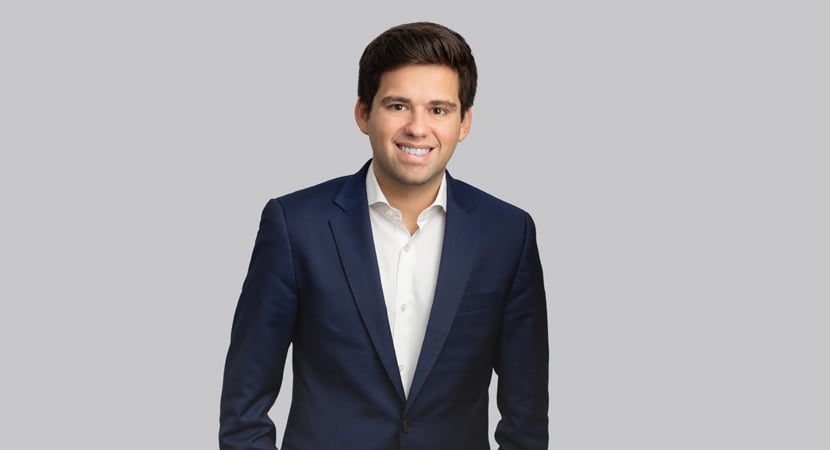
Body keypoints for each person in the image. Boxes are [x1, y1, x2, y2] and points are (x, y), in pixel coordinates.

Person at [219, 21, 549, 449]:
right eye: (398, 106)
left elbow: (526, 419)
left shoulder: (507, 234)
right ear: (363, 113)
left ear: (464, 122)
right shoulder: (295, 226)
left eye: (439, 110)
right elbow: (243, 410)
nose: (417, 127)